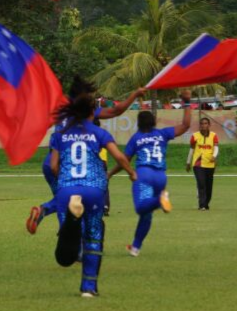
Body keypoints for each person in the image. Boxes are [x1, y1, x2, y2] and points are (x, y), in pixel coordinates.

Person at [26, 77, 146, 234]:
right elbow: (116, 111)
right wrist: (135, 94)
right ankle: (67, 235)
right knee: (71, 200)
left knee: (66, 198)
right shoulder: (82, 109)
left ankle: (48, 215)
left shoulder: (61, 107)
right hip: (68, 164)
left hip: (51, 162)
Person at [50, 88, 136, 297]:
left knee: (71, 234)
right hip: (93, 190)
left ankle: (71, 226)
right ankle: (88, 287)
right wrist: (132, 173)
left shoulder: (60, 134)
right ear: (92, 112)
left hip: (66, 190)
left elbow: (53, 166)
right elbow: (120, 157)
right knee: (95, 236)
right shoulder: (99, 132)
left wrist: (66, 180)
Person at [110, 90, 192, 257]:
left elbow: (123, 160)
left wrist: (110, 173)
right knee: (146, 216)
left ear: (138, 124)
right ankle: (135, 247)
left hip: (144, 176)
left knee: (141, 208)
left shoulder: (136, 138)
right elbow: (185, 125)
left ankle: (159, 201)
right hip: (160, 177)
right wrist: (187, 103)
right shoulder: (162, 134)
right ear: (154, 122)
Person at [186, 117, 219, 210]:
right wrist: (188, 162)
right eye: (202, 124)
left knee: (209, 186)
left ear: (209, 125)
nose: (204, 125)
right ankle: (202, 205)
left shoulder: (214, 135)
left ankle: (206, 203)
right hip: (198, 164)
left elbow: (216, 147)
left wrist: (214, 156)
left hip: (210, 163)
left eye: (205, 123)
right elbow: (191, 149)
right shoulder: (195, 136)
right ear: (200, 125)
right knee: (201, 183)